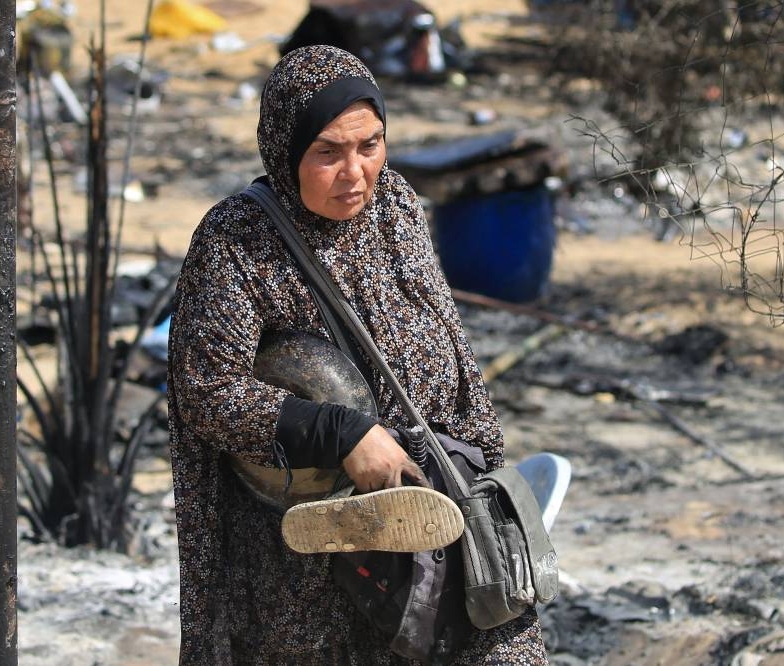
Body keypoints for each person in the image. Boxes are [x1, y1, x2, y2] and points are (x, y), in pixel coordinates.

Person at [167, 44, 548, 664]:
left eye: (370, 145)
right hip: (308, 559)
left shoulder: (395, 205)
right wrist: (344, 434)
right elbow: (207, 393)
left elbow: (453, 348)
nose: (355, 173)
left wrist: (487, 479)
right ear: (284, 150)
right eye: (327, 153)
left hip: (434, 508)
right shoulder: (236, 241)